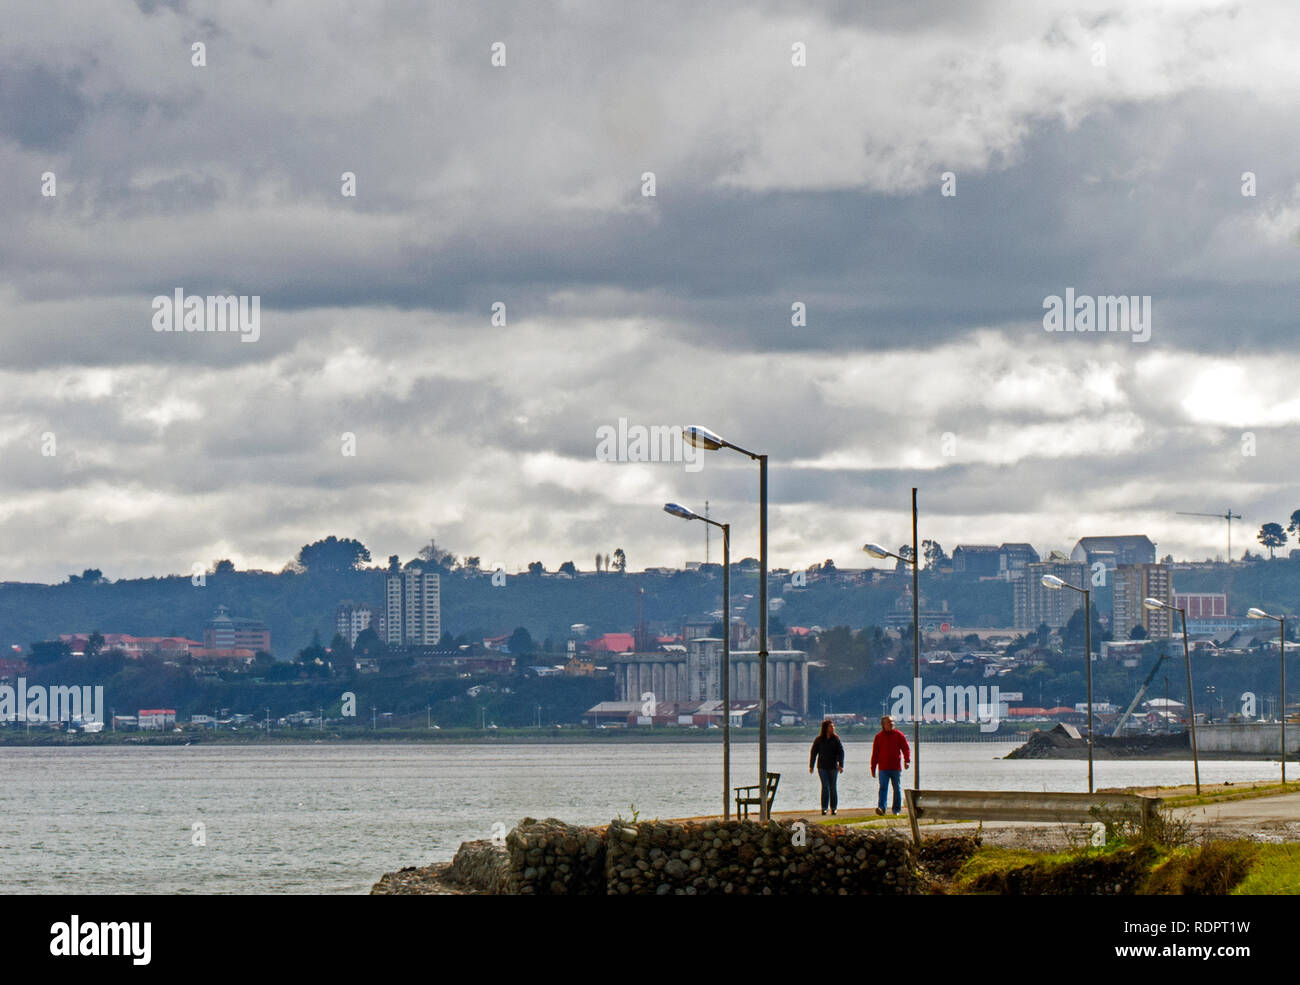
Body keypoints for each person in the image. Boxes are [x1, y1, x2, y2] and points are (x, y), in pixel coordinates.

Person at [870, 715, 911, 816]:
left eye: (892, 722)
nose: (892, 724)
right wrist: (873, 767)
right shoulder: (878, 737)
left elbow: (906, 748)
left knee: (897, 788)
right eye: (889, 722)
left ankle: (896, 809)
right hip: (883, 768)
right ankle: (882, 808)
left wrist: (907, 760)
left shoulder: (899, 735)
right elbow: (875, 753)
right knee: (883, 788)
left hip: (896, 767)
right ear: (883, 725)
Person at [808, 719, 845, 815]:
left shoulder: (836, 739)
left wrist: (841, 765)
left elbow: (841, 752)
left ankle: (834, 808)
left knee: (833, 787)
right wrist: (811, 765)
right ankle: (824, 808)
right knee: (825, 787)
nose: (833, 728)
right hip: (822, 767)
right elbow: (813, 752)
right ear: (825, 728)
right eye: (830, 726)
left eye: (833, 726)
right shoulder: (819, 740)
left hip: (833, 767)